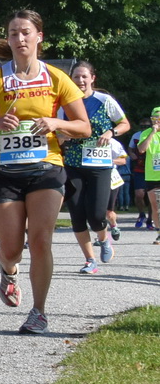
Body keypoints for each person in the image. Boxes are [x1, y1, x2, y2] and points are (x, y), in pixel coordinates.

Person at [0, 10, 91, 334]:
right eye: (13, 33)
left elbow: (84, 127)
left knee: (41, 239)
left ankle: (38, 312)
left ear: (39, 37)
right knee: (11, 249)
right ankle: (8, 270)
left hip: (47, 167)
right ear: (8, 39)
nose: (20, 39)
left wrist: (56, 122)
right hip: (4, 169)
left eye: (26, 32)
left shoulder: (56, 78)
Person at [61, 59, 129, 273]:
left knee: (97, 215)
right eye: (76, 77)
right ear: (71, 80)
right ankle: (90, 260)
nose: (80, 80)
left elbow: (124, 124)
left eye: (84, 76)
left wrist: (111, 132)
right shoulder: (64, 102)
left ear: (92, 78)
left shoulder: (104, 100)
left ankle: (103, 238)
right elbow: (57, 130)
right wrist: (62, 136)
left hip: (100, 165)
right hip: (73, 164)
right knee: (77, 213)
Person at [135, 108, 160, 235]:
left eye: (159, 119)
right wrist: (152, 133)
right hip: (153, 175)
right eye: (155, 119)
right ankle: (159, 233)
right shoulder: (146, 133)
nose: (157, 121)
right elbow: (141, 149)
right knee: (155, 207)